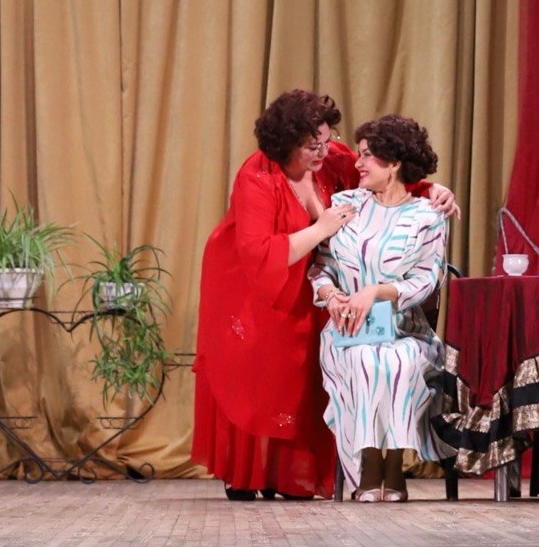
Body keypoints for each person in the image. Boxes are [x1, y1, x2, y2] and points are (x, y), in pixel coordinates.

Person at [193, 91, 457, 500]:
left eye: (325, 139)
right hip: (253, 278)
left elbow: (388, 173)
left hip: (311, 279)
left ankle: (294, 476)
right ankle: (249, 473)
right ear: (286, 145)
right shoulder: (257, 177)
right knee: (260, 372)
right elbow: (259, 251)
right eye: (310, 145)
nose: (324, 150)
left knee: (301, 375)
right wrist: (322, 230)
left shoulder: (331, 157)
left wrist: (434, 189)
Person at [309, 114, 451, 502]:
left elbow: (427, 279)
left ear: (394, 163)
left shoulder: (427, 217)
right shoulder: (345, 206)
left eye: (367, 155)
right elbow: (321, 267)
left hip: (406, 329)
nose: (357, 163)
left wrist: (375, 291)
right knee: (365, 361)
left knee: (399, 361)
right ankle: (370, 465)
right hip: (349, 330)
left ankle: (394, 466)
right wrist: (332, 296)